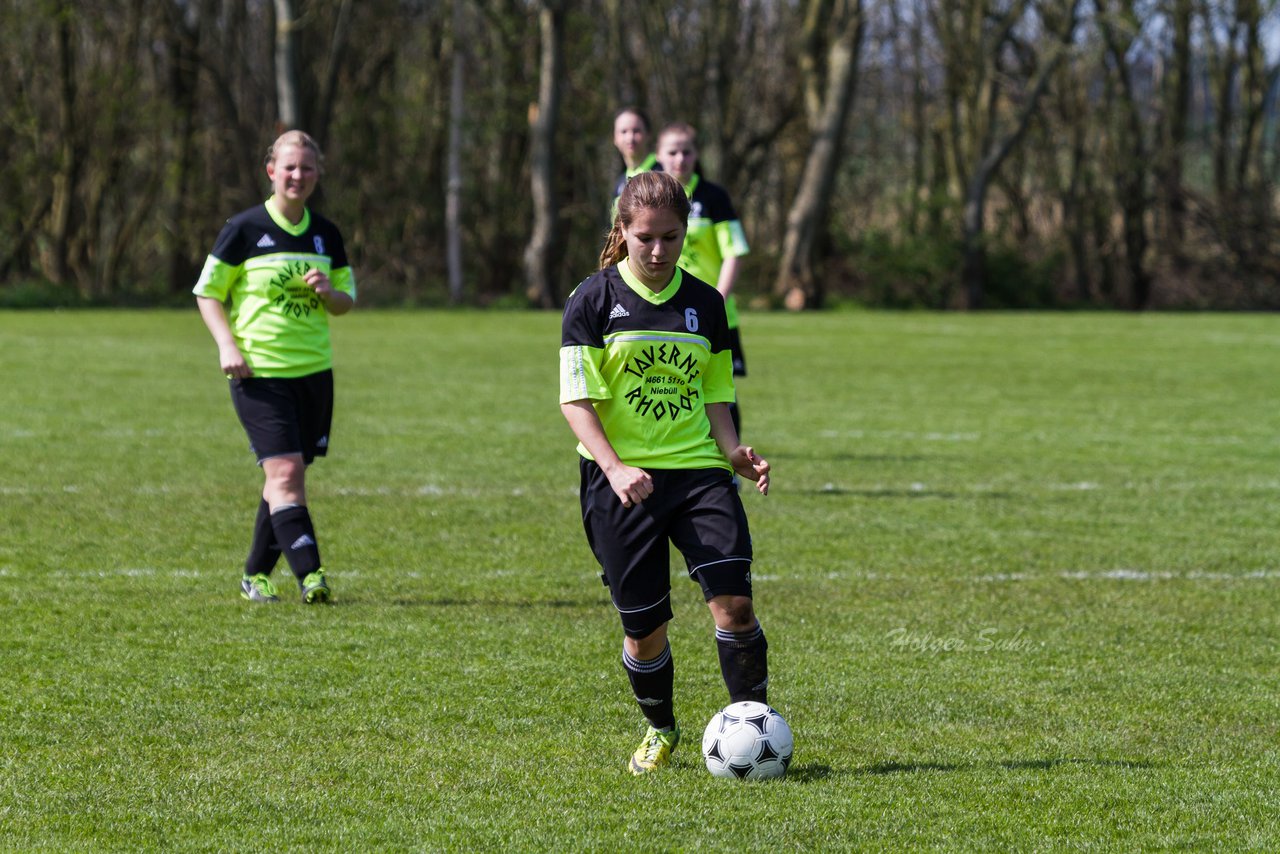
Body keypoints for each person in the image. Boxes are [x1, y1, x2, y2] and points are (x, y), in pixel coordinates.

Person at [560, 171, 773, 774]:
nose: (658, 252)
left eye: (671, 239)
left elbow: (715, 391)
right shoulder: (593, 300)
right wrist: (616, 466)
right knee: (643, 630)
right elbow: (576, 401)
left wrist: (731, 449)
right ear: (622, 231)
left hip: (699, 475)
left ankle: (752, 725)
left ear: (686, 234)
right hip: (620, 485)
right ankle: (661, 726)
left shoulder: (706, 304)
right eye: (646, 238)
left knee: (733, 605)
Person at [193, 129, 356, 605]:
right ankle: (312, 575)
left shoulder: (326, 234)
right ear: (271, 171)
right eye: (289, 166)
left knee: (284, 477)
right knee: (285, 474)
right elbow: (207, 292)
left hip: (314, 373)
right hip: (258, 372)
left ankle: (254, 575)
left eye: (306, 167)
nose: (297, 175)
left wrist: (331, 294)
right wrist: (227, 344)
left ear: (317, 174)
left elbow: (347, 302)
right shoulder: (243, 229)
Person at [654, 122, 750, 436]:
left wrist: (717, 302)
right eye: (672, 151)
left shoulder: (713, 198)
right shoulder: (651, 196)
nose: (679, 159)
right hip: (664, 311)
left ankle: (730, 462)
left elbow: (733, 251)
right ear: (659, 155)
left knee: (721, 393)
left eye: (686, 151)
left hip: (713, 312)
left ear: (697, 155)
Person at [609, 107, 656, 218]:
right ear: (615, 138)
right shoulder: (619, 184)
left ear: (648, 134)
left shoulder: (664, 173)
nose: (630, 138)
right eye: (623, 131)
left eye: (636, 131)